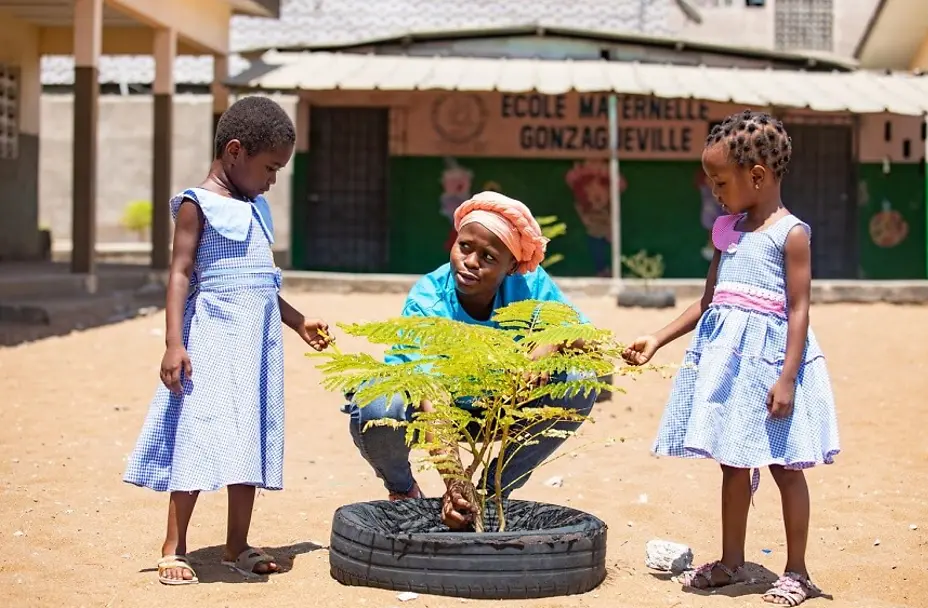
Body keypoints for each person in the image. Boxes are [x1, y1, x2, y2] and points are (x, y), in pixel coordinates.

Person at [623, 110, 840, 606]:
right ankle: (731, 561)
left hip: (772, 369)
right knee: (731, 464)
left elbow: (800, 309)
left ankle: (798, 572)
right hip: (731, 371)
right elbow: (708, 301)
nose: (715, 191)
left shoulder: (792, 235)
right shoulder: (727, 231)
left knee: (786, 467)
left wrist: (787, 378)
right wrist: (658, 337)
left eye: (720, 182)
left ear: (757, 176)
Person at [123, 96, 332, 586]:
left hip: (256, 349)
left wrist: (298, 321)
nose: (273, 180)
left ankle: (237, 543)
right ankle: (175, 546)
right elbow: (179, 275)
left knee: (248, 440)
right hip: (213, 343)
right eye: (270, 168)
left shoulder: (256, 207)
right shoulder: (198, 205)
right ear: (234, 151)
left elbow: (260, 282)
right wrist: (174, 343)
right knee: (200, 434)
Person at [343, 191, 598, 529]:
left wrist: (550, 343)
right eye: (464, 247)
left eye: (489, 257)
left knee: (579, 381)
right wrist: (454, 482)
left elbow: (590, 338)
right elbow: (430, 395)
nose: (471, 261)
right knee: (376, 405)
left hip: (501, 410)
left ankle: (493, 492)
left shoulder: (531, 285)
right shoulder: (429, 298)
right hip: (428, 413)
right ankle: (403, 490)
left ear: (512, 267)